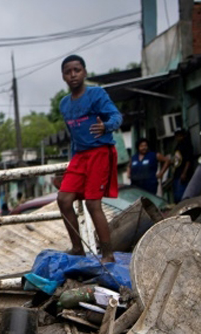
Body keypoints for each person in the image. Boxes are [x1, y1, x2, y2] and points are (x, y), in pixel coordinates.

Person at [56, 55, 122, 263]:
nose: (73, 74)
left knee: (93, 203)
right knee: (63, 200)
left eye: (77, 70)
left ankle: (108, 253)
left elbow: (117, 117)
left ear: (84, 72)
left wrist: (106, 126)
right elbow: (74, 136)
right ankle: (78, 248)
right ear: (63, 76)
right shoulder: (64, 104)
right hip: (79, 156)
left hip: (99, 152)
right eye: (68, 71)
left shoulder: (96, 94)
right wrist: (71, 163)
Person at [167, 129, 196, 203]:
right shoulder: (178, 146)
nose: (178, 138)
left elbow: (188, 161)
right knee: (177, 195)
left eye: (180, 136)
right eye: (177, 136)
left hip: (183, 174)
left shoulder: (186, 146)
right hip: (177, 173)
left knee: (182, 195)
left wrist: (184, 173)